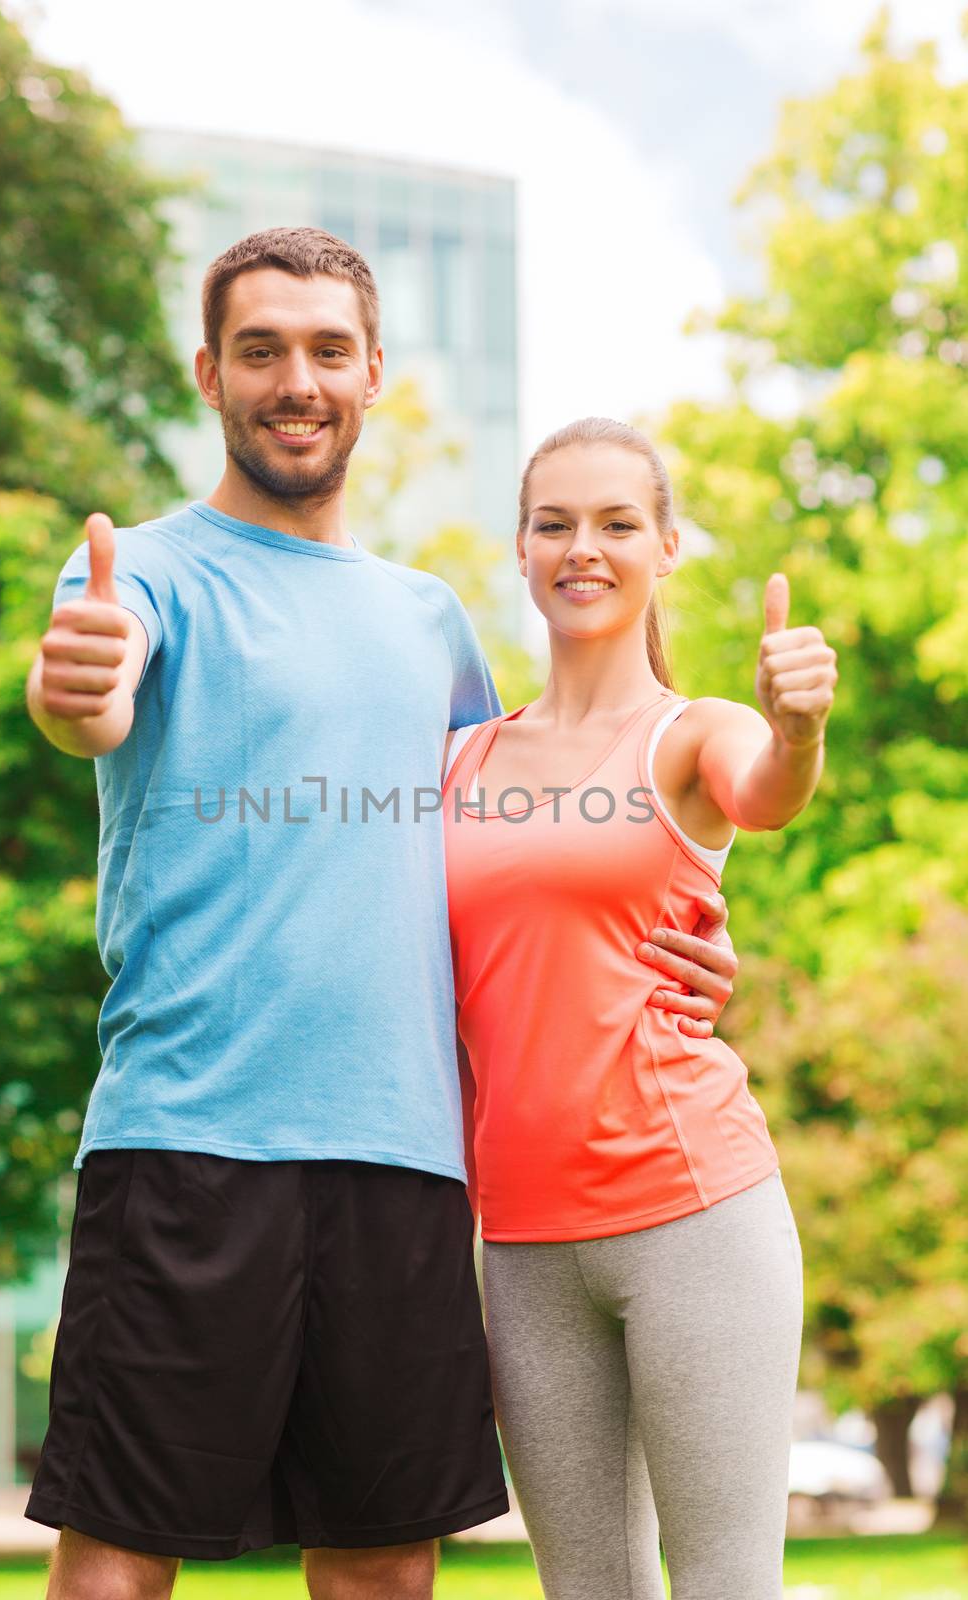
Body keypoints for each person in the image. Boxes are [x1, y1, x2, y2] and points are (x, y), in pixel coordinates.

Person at [24, 233, 738, 1600]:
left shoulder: (432, 624)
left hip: (406, 1165)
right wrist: (77, 685)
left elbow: (511, 859)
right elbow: (90, 701)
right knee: (117, 1565)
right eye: (260, 349)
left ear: (371, 377)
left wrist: (679, 946)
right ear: (208, 373)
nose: (296, 379)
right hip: (189, 1141)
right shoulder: (143, 578)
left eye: (325, 350)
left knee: (384, 1572)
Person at [441, 417, 837, 1600]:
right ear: (520, 549)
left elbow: (764, 791)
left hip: (692, 1216)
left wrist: (801, 727)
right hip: (518, 1243)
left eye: (618, 523)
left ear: (665, 547)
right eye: (555, 523)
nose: (585, 547)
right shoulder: (460, 762)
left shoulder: (691, 733)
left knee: (723, 1585)